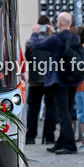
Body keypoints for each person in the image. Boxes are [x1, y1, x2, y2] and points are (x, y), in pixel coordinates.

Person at [34, 12, 81, 154]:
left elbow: (37, 45)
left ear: (59, 23)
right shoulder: (75, 37)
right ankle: (61, 143)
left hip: (58, 80)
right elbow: (62, 39)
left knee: (62, 114)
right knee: (67, 111)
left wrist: (35, 33)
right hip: (73, 79)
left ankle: (70, 145)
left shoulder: (54, 39)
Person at [25, 15, 56, 145]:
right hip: (50, 80)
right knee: (51, 108)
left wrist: (34, 34)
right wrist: (53, 31)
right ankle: (49, 137)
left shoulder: (31, 42)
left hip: (34, 80)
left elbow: (28, 57)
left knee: (33, 108)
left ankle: (31, 136)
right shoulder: (53, 40)